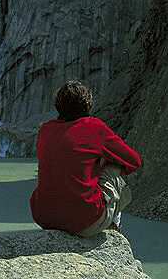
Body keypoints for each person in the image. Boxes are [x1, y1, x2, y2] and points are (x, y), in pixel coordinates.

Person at [30, 80, 142, 237]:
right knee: (114, 165)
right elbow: (134, 161)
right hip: (84, 222)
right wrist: (101, 164)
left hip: (45, 218)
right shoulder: (94, 127)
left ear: (58, 106)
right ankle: (113, 225)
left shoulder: (46, 129)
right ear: (87, 104)